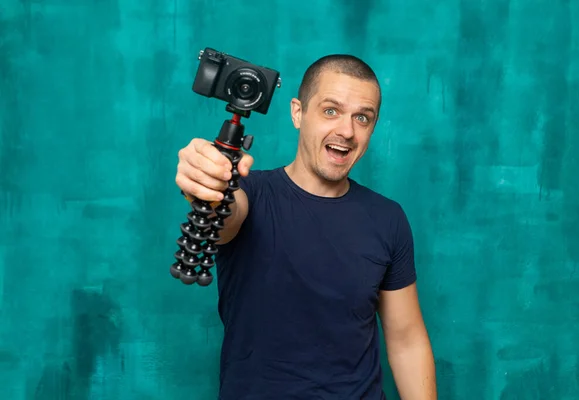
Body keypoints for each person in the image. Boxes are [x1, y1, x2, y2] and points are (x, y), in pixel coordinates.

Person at [175, 53, 437, 399]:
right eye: (331, 110)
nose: (346, 130)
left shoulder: (388, 218)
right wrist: (207, 182)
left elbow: (406, 341)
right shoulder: (250, 195)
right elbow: (223, 215)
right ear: (298, 113)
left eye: (363, 117)